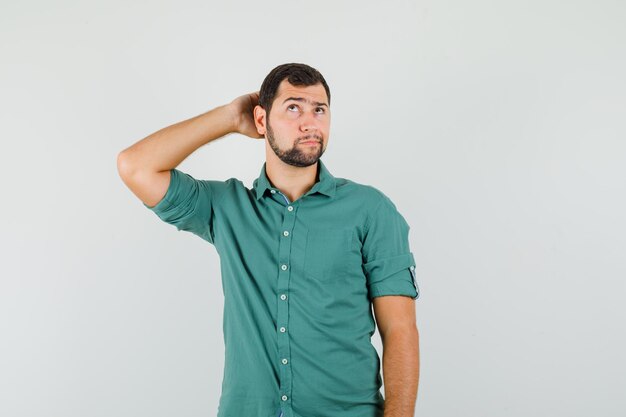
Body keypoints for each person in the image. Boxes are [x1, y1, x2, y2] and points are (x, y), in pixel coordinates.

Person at [117, 63, 420, 417]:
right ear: (261, 120)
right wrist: (230, 117)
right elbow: (135, 166)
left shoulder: (371, 210)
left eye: (319, 110)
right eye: (293, 108)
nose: (310, 123)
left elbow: (399, 329)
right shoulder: (226, 208)